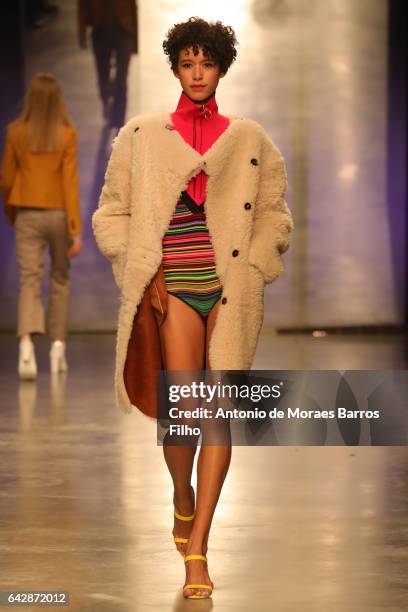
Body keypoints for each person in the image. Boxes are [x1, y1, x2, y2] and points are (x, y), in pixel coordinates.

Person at [92, 17, 294, 599]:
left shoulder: (250, 138)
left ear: (222, 68)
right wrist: (143, 266)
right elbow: (113, 212)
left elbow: (275, 215)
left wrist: (255, 264)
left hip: (231, 289)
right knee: (182, 412)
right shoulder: (142, 135)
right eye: (188, 63)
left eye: (207, 63)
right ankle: (181, 493)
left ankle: (198, 549)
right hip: (175, 285)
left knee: (218, 414)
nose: (197, 72)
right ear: (176, 67)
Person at [0, 72, 83, 379]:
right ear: (57, 99)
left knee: (29, 280)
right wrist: (75, 228)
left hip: (27, 213)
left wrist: (12, 211)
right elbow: (70, 183)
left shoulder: (16, 132)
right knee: (60, 279)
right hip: (59, 215)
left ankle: (25, 348)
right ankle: (57, 348)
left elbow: (7, 179)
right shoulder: (66, 133)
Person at [77, 0, 138, 128]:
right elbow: (82, 6)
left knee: (121, 78)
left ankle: (120, 121)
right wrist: (82, 32)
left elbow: (133, 5)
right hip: (100, 30)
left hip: (124, 31)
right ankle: (106, 100)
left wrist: (135, 41)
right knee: (103, 75)